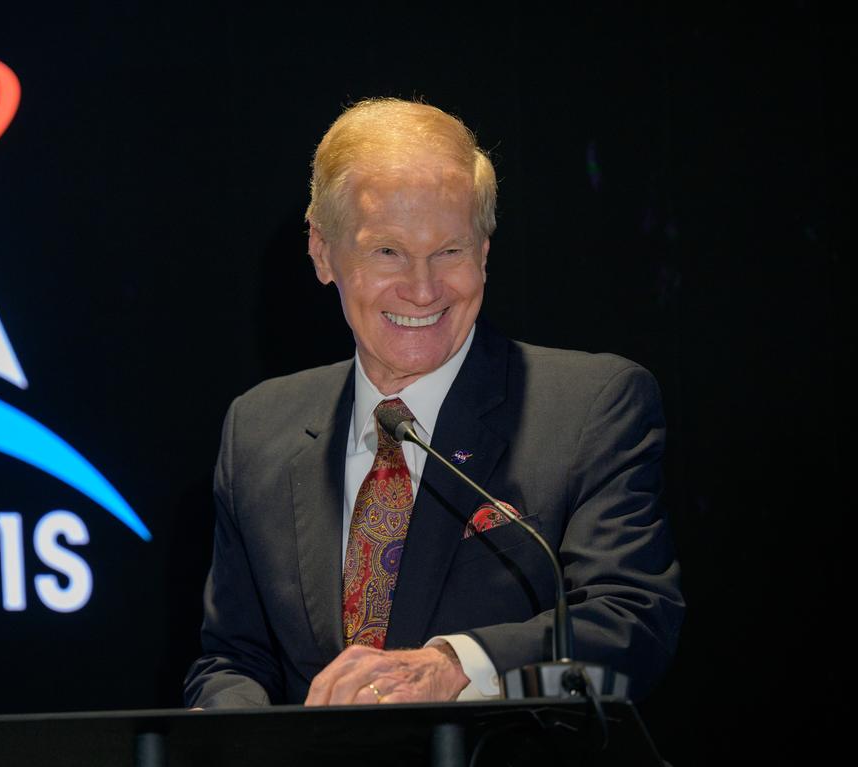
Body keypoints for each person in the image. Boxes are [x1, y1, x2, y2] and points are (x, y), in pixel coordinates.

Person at [183, 98, 683, 708]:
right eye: (387, 251)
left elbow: (631, 622)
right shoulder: (259, 428)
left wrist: (454, 666)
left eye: (450, 250)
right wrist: (254, 740)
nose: (422, 290)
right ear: (322, 252)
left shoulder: (590, 407)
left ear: (484, 252)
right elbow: (233, 662)